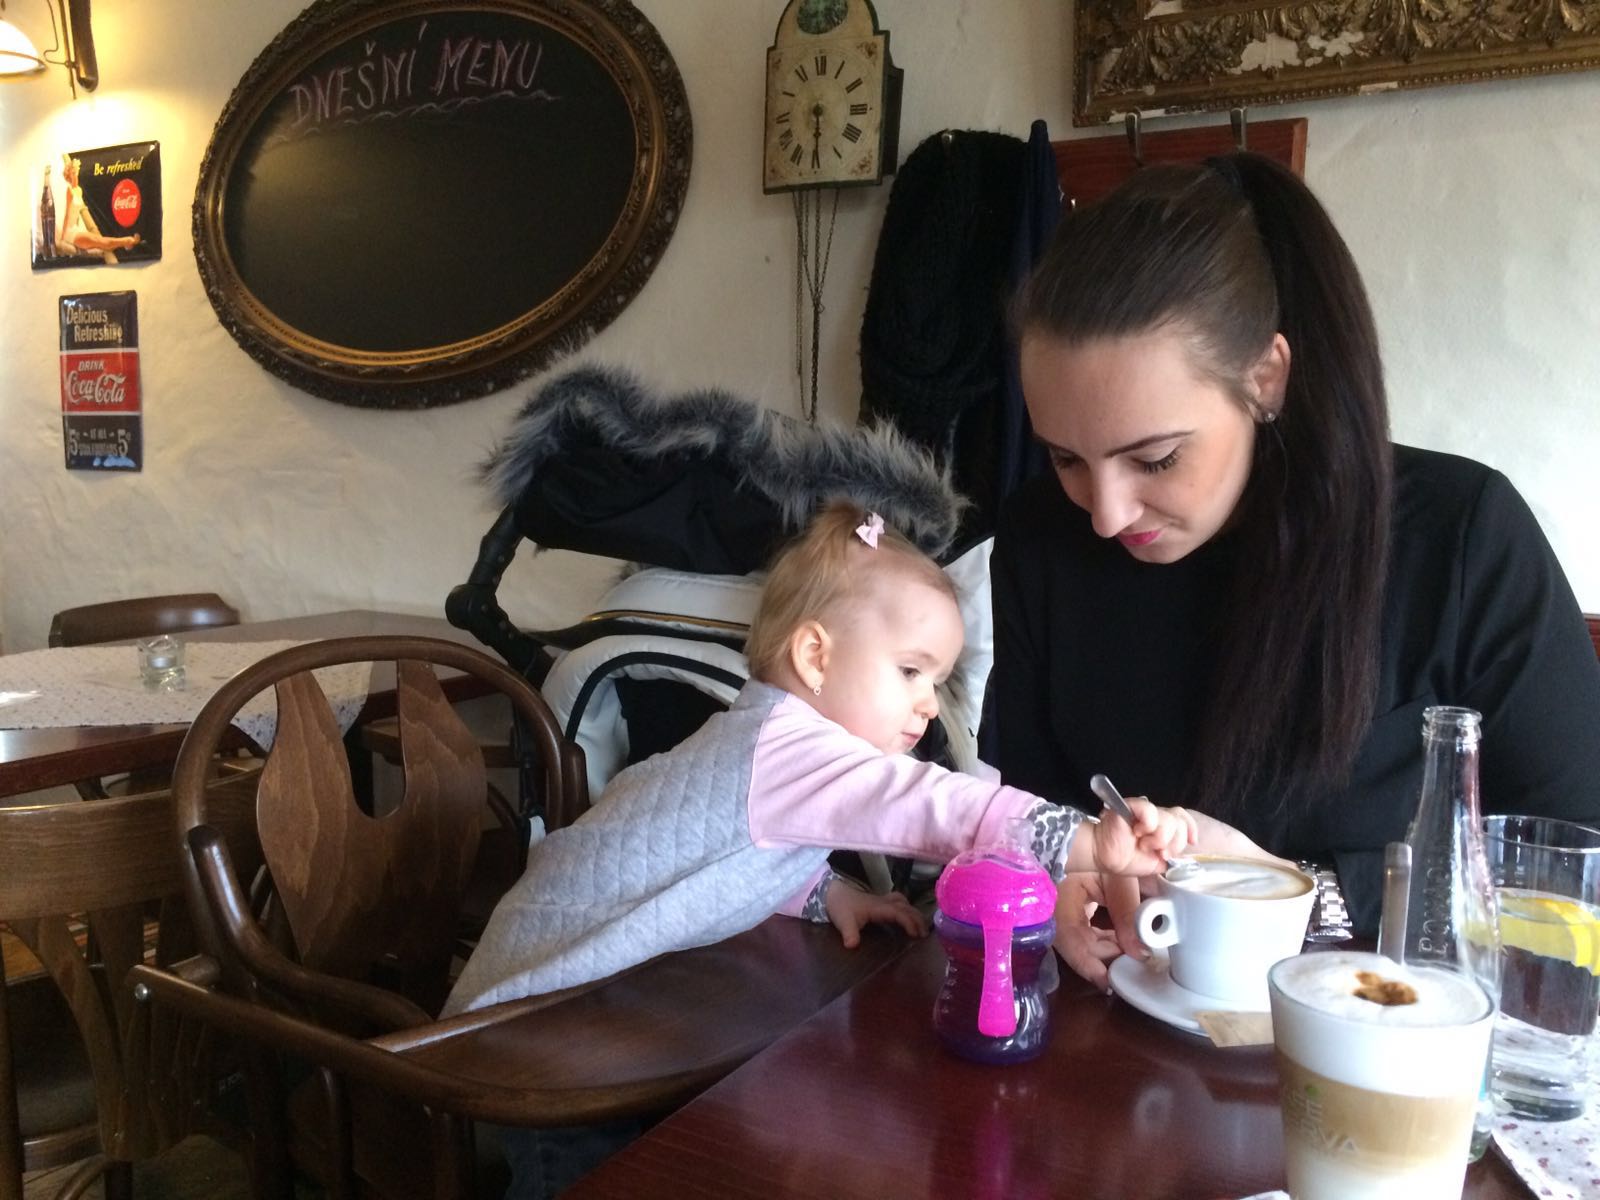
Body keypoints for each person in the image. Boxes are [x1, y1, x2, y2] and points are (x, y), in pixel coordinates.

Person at [992, 151, 1600, 989]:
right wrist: (1050, 873)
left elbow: (1574, 871)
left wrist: (1292, 893)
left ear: (1266, 378)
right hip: (1112, 1026)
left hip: (1388, 1033)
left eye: (1157, 459)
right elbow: (1023, 809)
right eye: (1065, 457)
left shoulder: (1459, 539)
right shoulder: (1041, 538)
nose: (1105, 513)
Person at [447, 500, 1195, 1017]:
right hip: (529, 1007)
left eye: (935, 681)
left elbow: (731, 850)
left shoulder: (764, 741)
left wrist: (826, 894)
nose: (928, 704)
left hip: (569, 988)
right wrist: (1090, 842)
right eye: (910, 671)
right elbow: (934, 805)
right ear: (814, 655)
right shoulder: (792, 750)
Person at [56, 155, 141, 259]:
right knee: (100, 241)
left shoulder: (79, 190)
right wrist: (63, 237)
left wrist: (79, 229)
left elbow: (76, 215)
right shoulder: (69, 191)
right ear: (69, 176)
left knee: (100, 241)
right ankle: (127, 241)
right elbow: (67, 215)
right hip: (70, 233)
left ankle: (126, 242)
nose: (75, 176)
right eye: (72, 174)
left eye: (76, 173)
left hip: (76, 230)